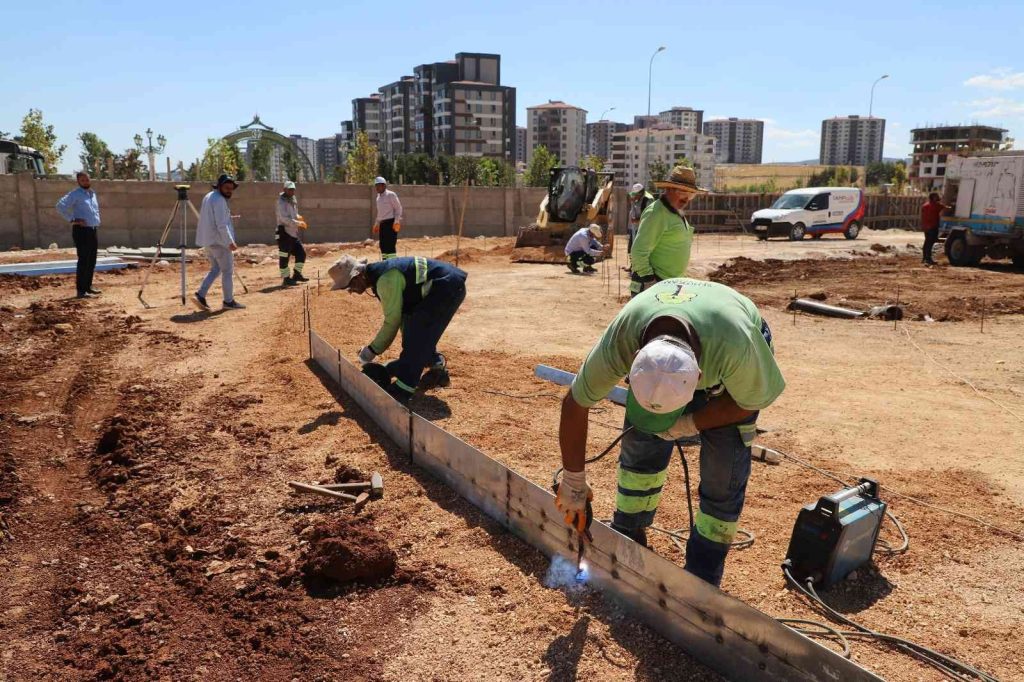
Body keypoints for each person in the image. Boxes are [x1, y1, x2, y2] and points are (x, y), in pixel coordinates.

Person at [555, 278, 784, 586]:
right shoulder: (622, 338)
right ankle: (629, 531)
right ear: (634, 361)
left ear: (700, 378)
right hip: (698, 338)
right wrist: (573, 482)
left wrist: (690, 423)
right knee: (640, 446)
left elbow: (747, 404)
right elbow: (574, 402)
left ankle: (703, 572)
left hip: (729, 380)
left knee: (723, 474)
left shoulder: (737, 346)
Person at [328, 254, 467, 405]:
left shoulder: (385, 280)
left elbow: (392, 322)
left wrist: (371, 350)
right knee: (414, 334)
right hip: (442, 285)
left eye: (349, 285)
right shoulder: (380, 275)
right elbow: (402, 318)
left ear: (358, 276)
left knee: (417, 336)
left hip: (445, 287)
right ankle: (436, 368)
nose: (350, 291)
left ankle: (403, 389)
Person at [629, 165, 704, 297]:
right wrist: (649, 282)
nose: (686, 199)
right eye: (682, 193)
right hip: (655, 285)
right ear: (669, 189)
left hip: (670, 285)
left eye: (690, 194)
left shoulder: (676, 211)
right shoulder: (656, 213)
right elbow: (638, 252)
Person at [194, 174, 245, 310]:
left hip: (209, 241)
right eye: (226, 187)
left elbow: (212, 219)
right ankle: (228, 301)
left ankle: (200, 294)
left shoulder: (209, 196)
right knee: (227, 271)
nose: (229, 190)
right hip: (220, 242)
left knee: (216, 269)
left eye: (231, 188)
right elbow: (221, 225)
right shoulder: (220, 200)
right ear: (219, 186)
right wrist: (230, 241)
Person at [55, 172, 102, 299]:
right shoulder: (75, 194)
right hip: (81, 231)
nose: (86, 181)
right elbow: (60, 206)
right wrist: (72, 219)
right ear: (78, 181)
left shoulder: (92, 194)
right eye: (83, 180)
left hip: (92, 230)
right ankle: (81, 291)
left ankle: (88, 287)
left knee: (91, 259)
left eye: (87, 179)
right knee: (83, 260)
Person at [276, 180, 308, 286]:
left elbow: (293, 213)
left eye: (293, 189)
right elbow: (284, 218)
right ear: (284, 190)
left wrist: (298, 217)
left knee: (301, 253)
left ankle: (297, 274)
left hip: (293, 233)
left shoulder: (293, 199)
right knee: (284, 257)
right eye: (290, 189)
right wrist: (298, 223)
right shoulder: (281, 202)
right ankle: (286, 278)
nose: (292, 191)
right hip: (284, 233)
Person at [371, 177, 403, 260]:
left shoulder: (391, 195)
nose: (377, 188)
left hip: (391, 223)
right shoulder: (378, 198)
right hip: (383, 224)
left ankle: (392, 264)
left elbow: (398, 208)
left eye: (378, 185)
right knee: (383, 245)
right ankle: (385, 263)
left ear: (384, 186)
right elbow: (380, 213)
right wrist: (376, 224)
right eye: (376, 186)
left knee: (390, 245)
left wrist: (396, 221)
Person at [920, 192, 950, 265]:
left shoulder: (925, 205)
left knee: (927, 242)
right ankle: (928, 259)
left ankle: (924, 258)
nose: (938, 197)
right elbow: (946, 208)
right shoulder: (936, 205)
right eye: (937, 196)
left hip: (925, 227)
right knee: (930, 243)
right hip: (933, 226)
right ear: (933, 198)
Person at [627, 182, 654, 258]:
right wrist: (633, 202)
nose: (634, 196)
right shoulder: (638, 198)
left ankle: (638, 268)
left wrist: (636, 220)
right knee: (632, 246)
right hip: (636, 228)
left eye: (635, 194)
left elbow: (649, 217)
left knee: (640, 249)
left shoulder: (648, 199)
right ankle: (632, 266)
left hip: (645, 229)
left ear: (640, 193)